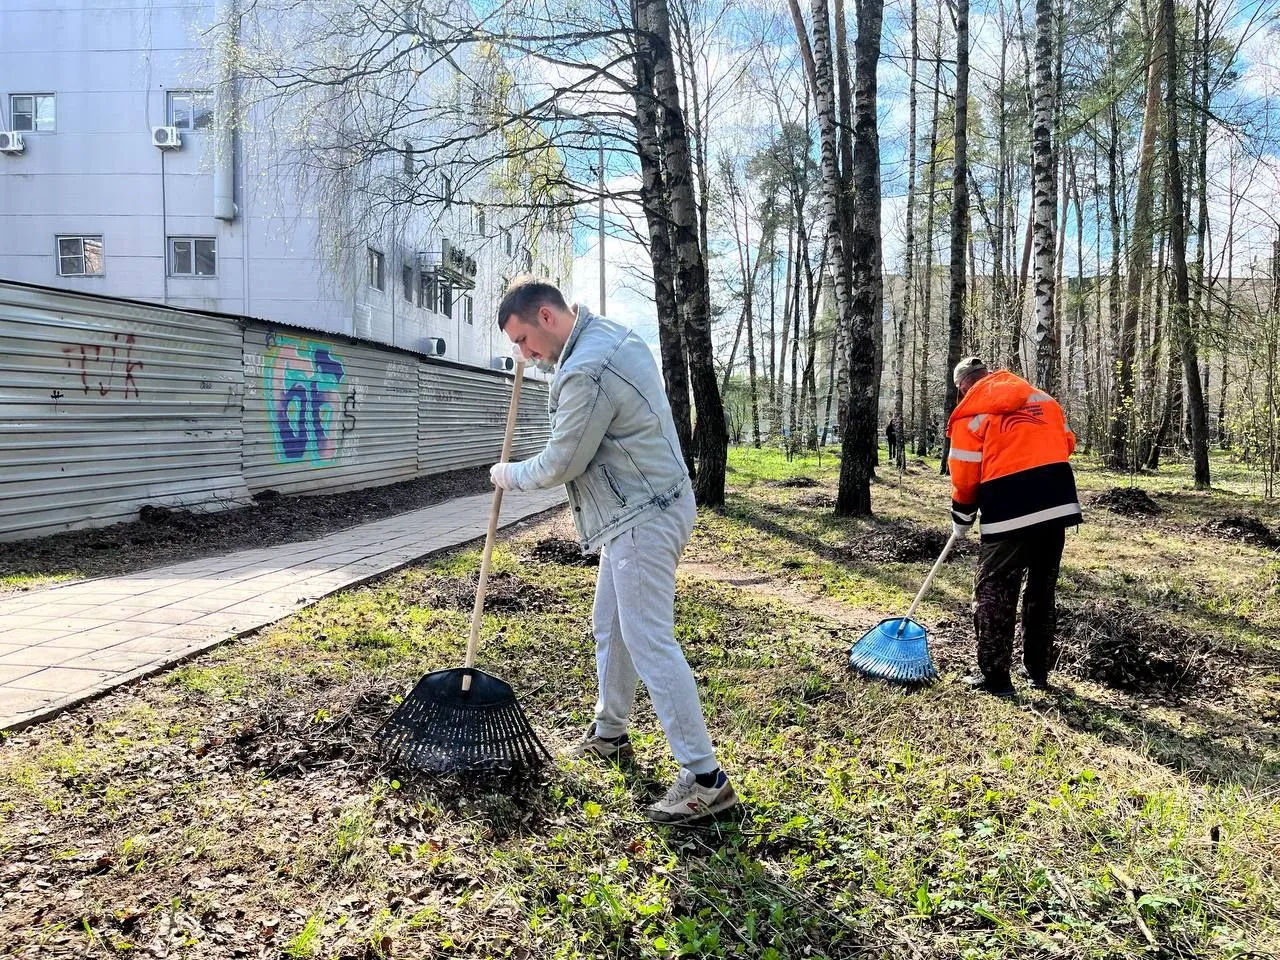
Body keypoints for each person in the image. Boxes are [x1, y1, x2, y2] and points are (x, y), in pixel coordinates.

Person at [487, 277, 737, 823]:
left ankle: (706, 778)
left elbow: (560, 463)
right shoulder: (610, 337)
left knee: (649, 640)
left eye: (525, 339)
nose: (525, 355)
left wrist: (505, 474)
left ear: (547, 317)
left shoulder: (587, 369)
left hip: (642, 517)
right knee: (612, 625)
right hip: (642, 507)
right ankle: (611, 732)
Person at [946, 356, 1082, 696]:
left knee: (993, 591)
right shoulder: (1045, 400)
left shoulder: (971, 413)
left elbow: (965, 475)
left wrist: (962, 517)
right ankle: (1037, 671)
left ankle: (996, 678)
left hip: (1009, 509)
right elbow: (1068, 443)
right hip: (1056, 504)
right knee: (1041, 591)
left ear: (964, 386)